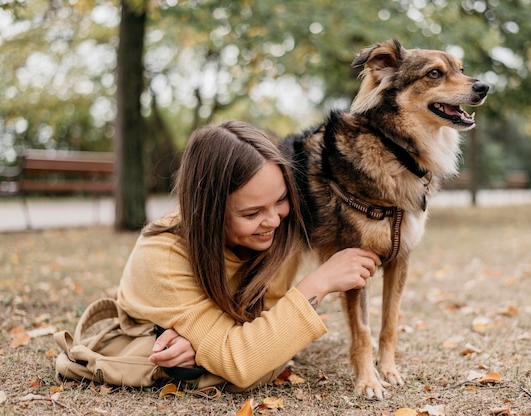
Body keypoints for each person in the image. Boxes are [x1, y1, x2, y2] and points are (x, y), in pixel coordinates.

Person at [115, 120, 380, 391]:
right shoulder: (163, 256)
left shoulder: (271, 234)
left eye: (281, 200)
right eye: (251, 213)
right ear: (209, 210)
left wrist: (209, 344)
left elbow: (267, 333)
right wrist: (318, 283)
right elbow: (242, 363)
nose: (273, 221)